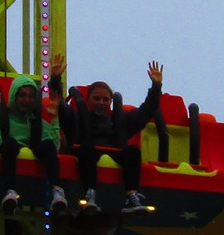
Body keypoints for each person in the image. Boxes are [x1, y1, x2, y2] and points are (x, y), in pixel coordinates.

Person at [52, 55, 164, 213]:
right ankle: (90, 193)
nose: (101, 102)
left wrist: (156, 87)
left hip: (114, 153)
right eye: (96, 98)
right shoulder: (77, 118)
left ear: (111, 102)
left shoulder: (120, 120)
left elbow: (146, 112)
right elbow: (60, 106)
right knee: (87, 149)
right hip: (86, 153)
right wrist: (56, 78)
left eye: (105, 99)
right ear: (88, 100)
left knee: (132, 151)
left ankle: (132, 195)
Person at [0, 74, 67, 213]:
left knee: (46, 145)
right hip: (9, 153)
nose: (27, 100)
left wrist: (54, 118)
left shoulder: (35, 122)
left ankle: (57, 190)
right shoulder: (3, 118)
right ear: (14, 96)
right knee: (9, 144)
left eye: (31, 96)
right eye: (22, 95)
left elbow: (54, 146)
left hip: (32, 155)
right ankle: (10, 191)